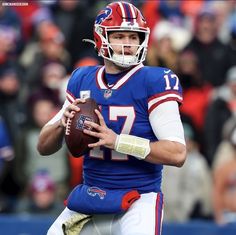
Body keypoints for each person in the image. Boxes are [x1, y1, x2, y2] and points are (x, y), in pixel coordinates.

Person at [37, 2, 186, 235]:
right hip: (91, 197)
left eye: (133, 37)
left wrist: (117, 141)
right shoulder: (82, 79)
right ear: (100, 38)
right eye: (119, 36)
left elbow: (177, 153)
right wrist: (60, 123)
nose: (127, 44)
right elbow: (43, 147)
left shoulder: (155, 81)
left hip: (139, 199)